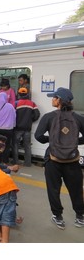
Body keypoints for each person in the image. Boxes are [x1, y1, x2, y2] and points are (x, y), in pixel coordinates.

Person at [34, 87, 84, 229]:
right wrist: (74, 142)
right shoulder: (78, 117)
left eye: (54, 97)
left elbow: (38, 136)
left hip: (53, 160)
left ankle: (58, 217)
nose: (52, 99)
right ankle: (80, 217)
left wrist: (52, 141)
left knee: (53, 189)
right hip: (73, 161)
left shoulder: (49, 117)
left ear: (59, 100)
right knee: (76, 189)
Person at [12, 88, 40, 166]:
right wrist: (30, 120)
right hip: (27, 128)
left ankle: (15, 161)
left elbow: (12, 115)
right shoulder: (32, 104)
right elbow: (37, 114)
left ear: (19, 94)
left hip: (17, 128)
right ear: (27, 94)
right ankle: (27, 163)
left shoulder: (16, 103)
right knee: (27, 145)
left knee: (15, 145)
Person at [0, 92, 16, 163]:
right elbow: (14, 116)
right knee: (6, 146)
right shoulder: (10, 106)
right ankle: (5, 160)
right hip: (8, 129)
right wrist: (13, 125)